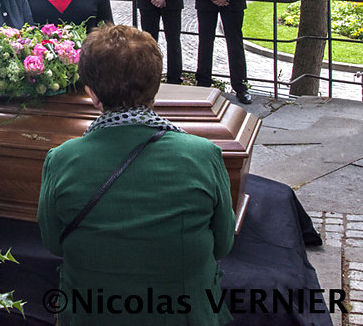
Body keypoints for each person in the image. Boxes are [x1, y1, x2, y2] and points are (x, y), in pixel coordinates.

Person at [37, 25, 235, 326]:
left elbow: (54, 243)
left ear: (91, 93)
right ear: (156, 86)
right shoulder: (203, 155)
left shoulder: (62, 160)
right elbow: (223, 244)